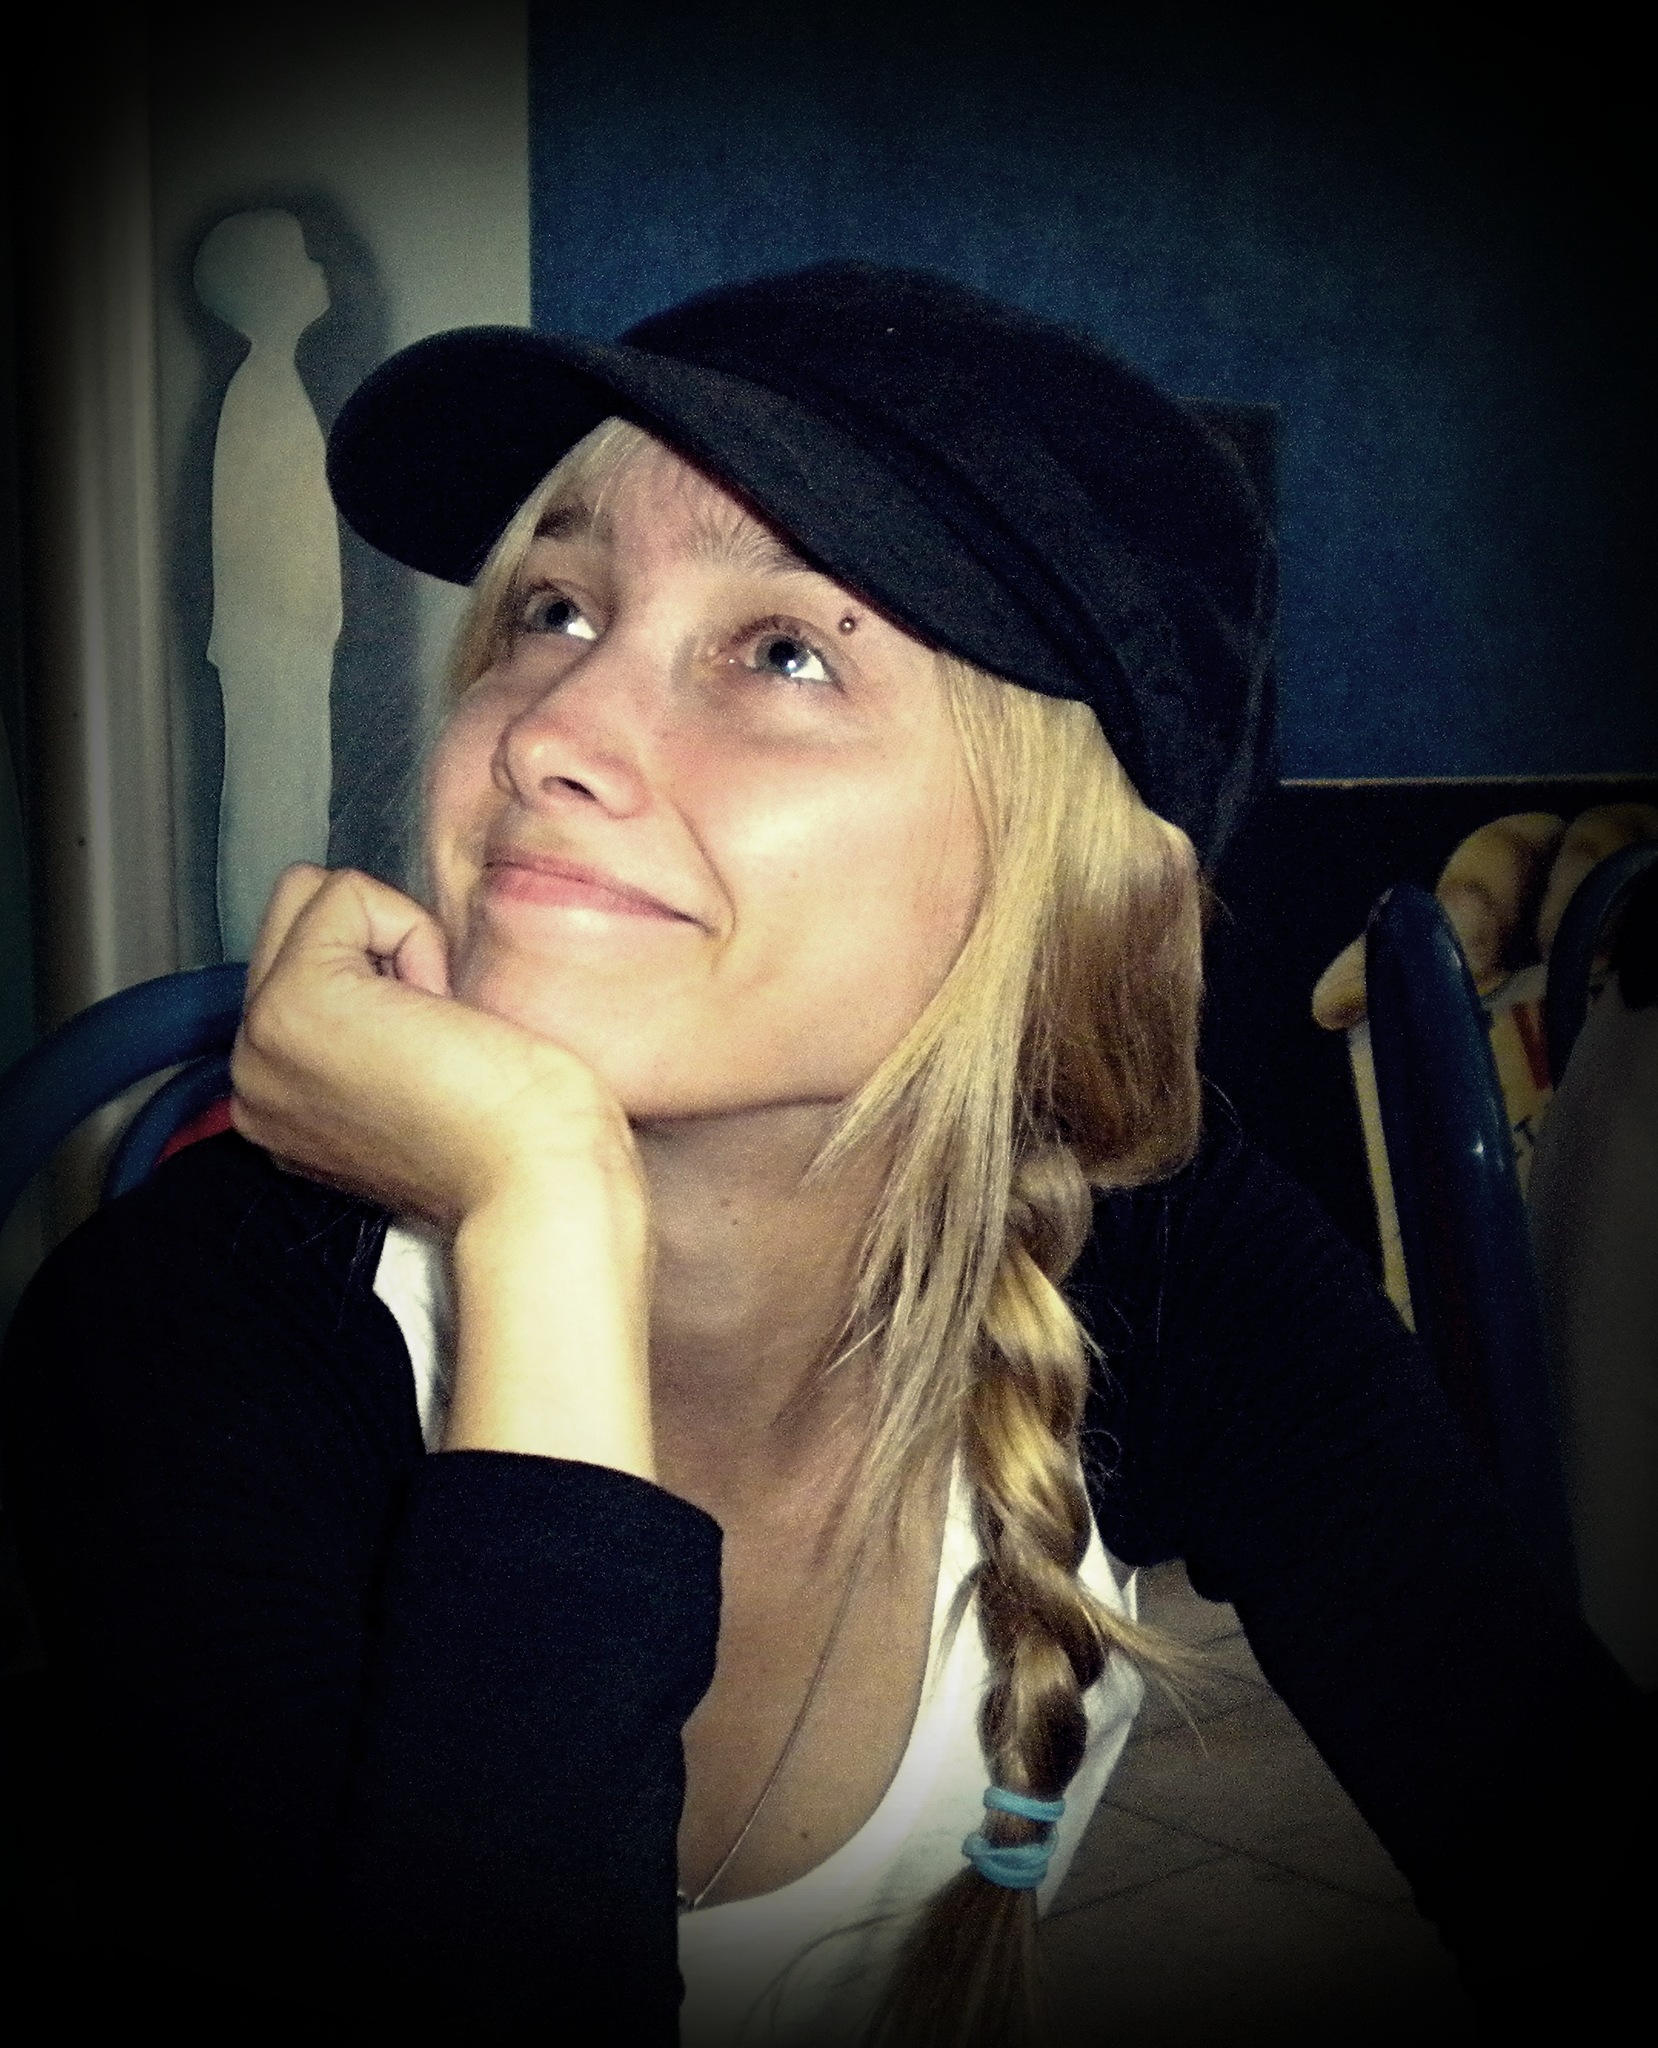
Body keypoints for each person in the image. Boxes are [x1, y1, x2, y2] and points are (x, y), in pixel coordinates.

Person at [2, 264, 1647, 2045]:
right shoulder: (194, 1334)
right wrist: (541, 1214)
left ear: (1069, 899)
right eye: (554, 609)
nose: (549, 733)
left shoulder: (1161, 1258)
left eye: (784, 652)